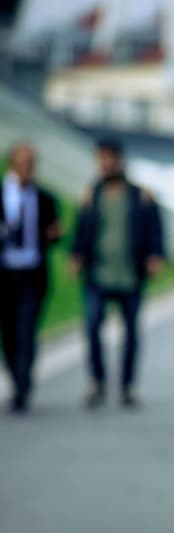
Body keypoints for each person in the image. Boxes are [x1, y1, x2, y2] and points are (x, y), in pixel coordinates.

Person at [70, 138, 164, 409]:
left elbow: (155, 228)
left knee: (131, 332)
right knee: (92, 326)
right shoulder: (91, 194)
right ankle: (96, 381)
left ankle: (127, 385)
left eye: (111, 158)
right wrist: (76, 255)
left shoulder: (140, 195)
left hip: (129, 273)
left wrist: (155, 255)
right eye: (102, 158)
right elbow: (82, 230)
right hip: (98, 273)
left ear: (120, 160)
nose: (106, 163)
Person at [0, 143, 60, 414]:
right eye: (22, 162)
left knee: (27, 330)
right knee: (9, 333)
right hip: (5, 272)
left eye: (31, 163)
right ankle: (15, 377)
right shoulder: (2, 195)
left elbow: (53, 233)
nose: (27, 168)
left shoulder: (45, 198)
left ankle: (24, 384)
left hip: (33, 273)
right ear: (12, 163)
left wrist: (55, 235)